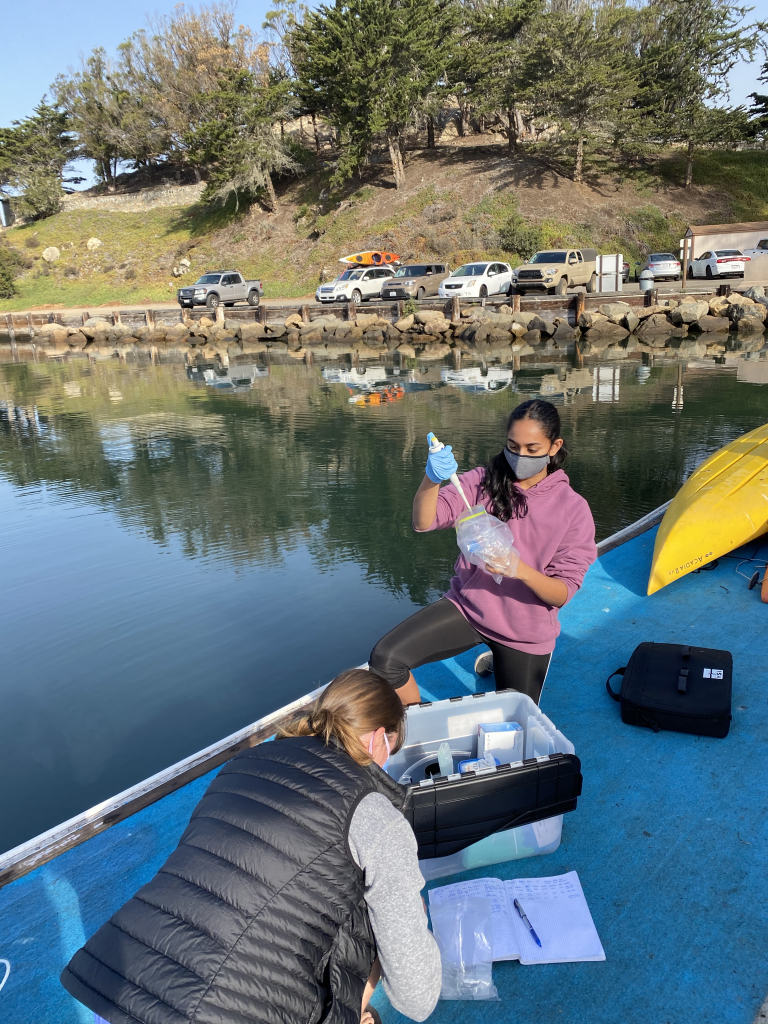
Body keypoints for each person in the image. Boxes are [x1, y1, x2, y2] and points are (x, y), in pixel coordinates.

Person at [61, 670, 441, 1024]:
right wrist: (412, 919)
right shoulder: (375, 815)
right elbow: (417, 1001)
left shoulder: (242, 763)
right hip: (231, 1010)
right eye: (391, 747)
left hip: (125, 982)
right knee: (374, 922)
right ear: (378, 739)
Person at [370, 399, 597, 706]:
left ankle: (499, 659)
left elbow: (562, 593)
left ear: (554, 446)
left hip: (524, 631)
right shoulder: (481, 482)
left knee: (515, 724)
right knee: (385, 660)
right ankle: (418, 725)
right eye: (512, 446)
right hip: (469, 609)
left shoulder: (573, 510)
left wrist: (519, 569)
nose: (520, 457)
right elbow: (424, 522)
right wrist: (432, 479)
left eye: (532, 449)